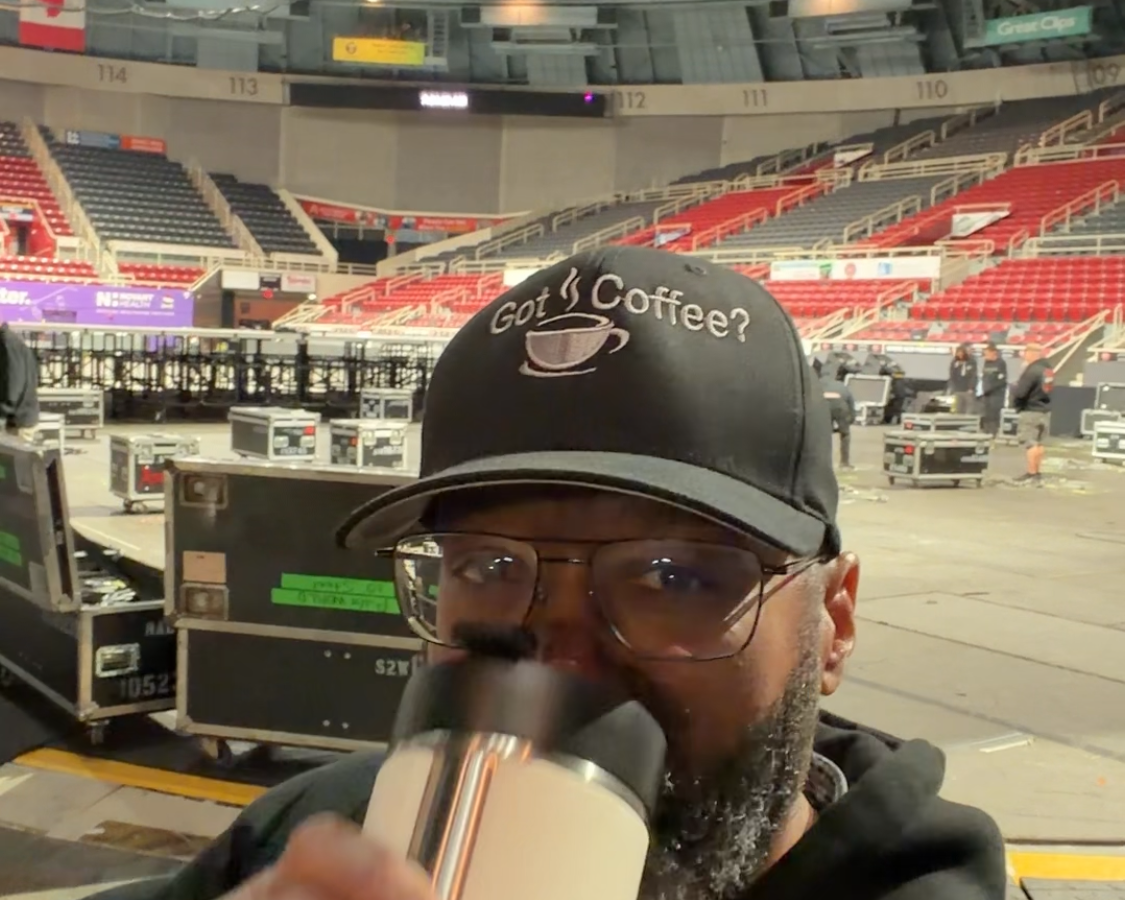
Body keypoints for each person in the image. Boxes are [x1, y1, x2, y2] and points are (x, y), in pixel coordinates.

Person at [125, 249, 1006, 900]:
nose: (563, 665)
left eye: (673, 577)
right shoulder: (317, 834)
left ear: (833, 626)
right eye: (488, 565)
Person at [1011, 342, 1053, 484]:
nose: (1024, 356)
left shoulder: (1031, 370)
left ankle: (1031, 473)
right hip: (1044, 410)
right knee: (1039, 443)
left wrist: (1015, 399)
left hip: (1031, 410)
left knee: (1030, 443)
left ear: (1031, 353)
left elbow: (1021, 392)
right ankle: (1037, 472)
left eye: (1026, 352)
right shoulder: (1048, 369)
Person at [0, 321, 39, 438]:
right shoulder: (11, 342)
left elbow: (14, 386)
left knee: (17, 455)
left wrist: (2, 412)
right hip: (19, 417)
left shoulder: (7, 345)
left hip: (17, 422)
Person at [818, 363, 856, 470]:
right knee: (845, 435)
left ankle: (823, 463)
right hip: (841, 407)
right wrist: (851, 418)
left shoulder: (816, 384)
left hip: (822, 407)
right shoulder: (840, 385)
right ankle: (844, 462)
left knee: (824, 436)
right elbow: (850, 401)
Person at [976, 343, 1008, 438]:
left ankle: (993, 433)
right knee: (986, 414)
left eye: (987, 353)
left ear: (994, 353)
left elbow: (1002, 380)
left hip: (997, 395)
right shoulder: (986, 363)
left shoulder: (1001, 363)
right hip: (986, 394)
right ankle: (986, 433)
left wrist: (990, 388)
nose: (985, 356)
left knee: (994, 414)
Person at [947, 343, 977, 415]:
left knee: (969, 409)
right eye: (958, 353)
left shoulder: (971, 362)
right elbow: (952, 375)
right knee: (958, 409)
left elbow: (973, 376)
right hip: (957, 390)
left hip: (967, 390)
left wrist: (971, 387)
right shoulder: (954, 362)